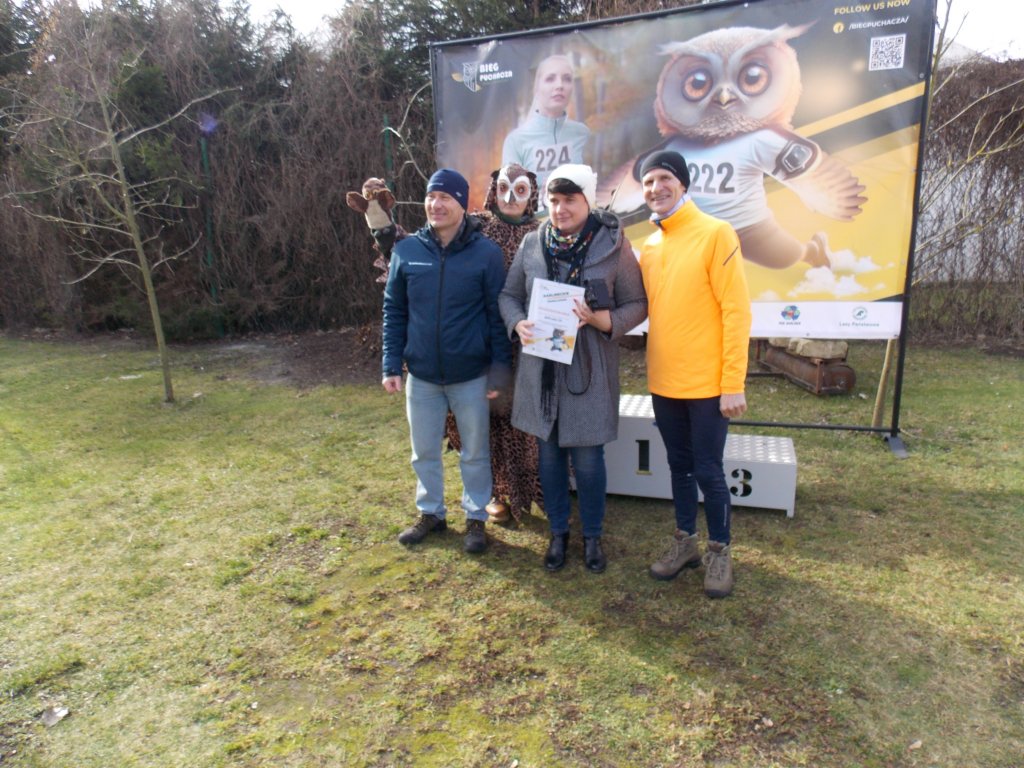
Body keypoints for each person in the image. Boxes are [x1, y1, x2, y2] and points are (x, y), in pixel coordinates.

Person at [499, 164, 647, 573]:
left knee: (587, 458)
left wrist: (603, 321)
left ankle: (592, 536)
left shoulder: (612, 244)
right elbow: (508, 295)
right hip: (542, 368)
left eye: (570, 200)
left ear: (588, 200)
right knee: (548, 457)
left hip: (589, 369)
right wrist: (518, 323)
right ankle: (558, 532)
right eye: (554, 200)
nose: (560, 209)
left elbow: (638, 303)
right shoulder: (533, 243)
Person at [638, 150, 752, 598]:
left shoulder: (716, 233)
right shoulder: (651, 246)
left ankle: (719, 550)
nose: (656, 188)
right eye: (648, 182)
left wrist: (732, 383)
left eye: (664, 178)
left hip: (707, 385)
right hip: (664, 381)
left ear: (683, 183)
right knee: (679, 466)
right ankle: (685, 541)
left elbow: (736, 311)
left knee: (708, 469)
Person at [382, 169, 511, 554]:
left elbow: (496, 316)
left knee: (475, 452)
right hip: (422, 376)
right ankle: (431, 513)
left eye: (445, 198)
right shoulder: (406, 251)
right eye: (431, 197)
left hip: (470, 375)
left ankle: (475, 517)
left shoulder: (486, 254)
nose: (435, 205)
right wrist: (391, 364)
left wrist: (499, 370)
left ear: (462, 204)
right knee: (423, 452)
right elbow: (394, 310)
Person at [444, 164, 545, 525]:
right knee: (486, 418)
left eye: (520, 190)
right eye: (503, 188)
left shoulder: (543, 234)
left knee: (528, 420)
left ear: (532, 194)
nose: (510, 197)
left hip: (530, 342)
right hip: (484, 340)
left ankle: (537, 488)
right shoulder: (475, 230)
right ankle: (494, 491)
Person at [502, 54, 590, 207]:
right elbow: (510, 201)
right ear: (537, 88)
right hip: (536, 221)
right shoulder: (516, 141)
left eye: (567, 79)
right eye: (550, 79)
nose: (560, 85)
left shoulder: (582, 134)